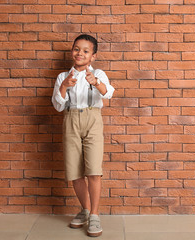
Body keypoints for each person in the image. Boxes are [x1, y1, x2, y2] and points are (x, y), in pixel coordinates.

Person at [51, 34, 115, 237]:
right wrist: (64, 86)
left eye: (86, 51)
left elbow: (108, 94)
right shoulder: (63, 76)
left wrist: (95, 82)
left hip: (92, 120)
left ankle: (94, 215)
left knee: (94, 170)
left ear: (93, 56)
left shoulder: (99, 74)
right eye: (77, 49)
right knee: (75, 171)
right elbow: (58, 105)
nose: (80, 53)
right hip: (71, 120)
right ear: (72, 51)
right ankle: (85, 210)